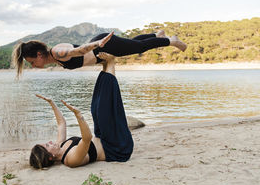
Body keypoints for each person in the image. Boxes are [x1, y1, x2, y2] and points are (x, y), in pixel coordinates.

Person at [29, 52, 134, 169]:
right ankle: (110, 62)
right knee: (104, 107)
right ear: (50, 156)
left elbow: (61, 124)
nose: (49, 142)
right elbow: (87, 139)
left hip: (103, 136)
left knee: (96, 107)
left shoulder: (60, 146)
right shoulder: (71, 159)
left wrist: (51, 103)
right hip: (117, 147)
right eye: (47, 145)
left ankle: (105, 65)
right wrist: (78, 115)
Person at [12, 30, 187, 78]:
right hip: (101, 47)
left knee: (138, 47)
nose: (33, 66)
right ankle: (157, 36)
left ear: (39, 55)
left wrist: (96, 44)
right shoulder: (55, 58)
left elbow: (77, 51)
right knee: (134, 44)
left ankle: (171, 40)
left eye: (32, 62)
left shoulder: (58, 52)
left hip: (103, 45)